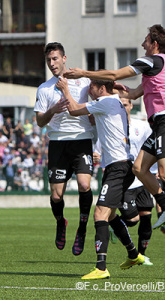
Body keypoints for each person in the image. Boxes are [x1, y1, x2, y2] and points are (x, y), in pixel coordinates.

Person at [63, 24, 165, 229]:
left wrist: (84, 72)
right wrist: (121, 91)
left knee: (163, 172)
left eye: (145, 40)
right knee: (138, 168)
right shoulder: (153, 70)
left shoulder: (152, 60)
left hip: (164, 120)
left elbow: (116, 74)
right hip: (157, 124)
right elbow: (135, 94)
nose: (142, 44)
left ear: (154, 44)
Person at [57, 77, 144, 279]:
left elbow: (73, 109)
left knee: (99, 215)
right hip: (121, 166)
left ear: (102, 88)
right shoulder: (114, 101)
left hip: (118, 167)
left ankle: (101, 268)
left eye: (92, 89)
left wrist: (65, 90)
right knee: (111, 215)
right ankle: (133, 254)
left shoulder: (105, 101)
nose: (89, 92)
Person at [34, 42, 94, 256]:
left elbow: (99, 98)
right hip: (58, 143)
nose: (52, 63)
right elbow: (40, 121)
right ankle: (61, 222)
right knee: (57, 196)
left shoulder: (83, 81)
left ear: (64, 58)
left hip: (82, 140)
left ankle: (83, 228)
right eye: (49, 60)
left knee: (85, 185)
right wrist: (52, 110)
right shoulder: (44, 88)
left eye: (55, 59)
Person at [94, 98, 156, 266]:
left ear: (130, 106)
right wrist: (96, 155)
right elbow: (97, 149)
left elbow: (152, 147)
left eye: (126, 104)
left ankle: (140, 256)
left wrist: (155, 171)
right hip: (122, 175)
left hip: (141, 177)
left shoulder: (141, 126)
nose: (123, 107)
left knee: (146, 218)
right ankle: (123, 241)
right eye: (121, 103)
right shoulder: (110, 124)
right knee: (132, 219)